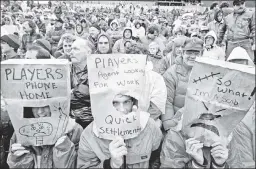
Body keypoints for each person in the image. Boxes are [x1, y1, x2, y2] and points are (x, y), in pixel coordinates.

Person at [77, 94, 163, 168]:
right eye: (115, 103)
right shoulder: (90, 135)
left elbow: (157, 159)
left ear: (133, 102)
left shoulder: (149, 126)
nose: (121, 109)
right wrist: (110, 165)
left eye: (126, 102)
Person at [7, 106, 83, 168]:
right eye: (35, 106)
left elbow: (78, 165)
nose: (40, 112)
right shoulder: (21, 130)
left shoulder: (74, 129)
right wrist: (18, 159)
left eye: (46, 105)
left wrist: (64, 150)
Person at [161, 38, 204, 131]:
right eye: (189, 53)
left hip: (198, 122)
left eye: (196, 53)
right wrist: (169, 126)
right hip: (176, 122)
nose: (192, 56)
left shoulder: (207, 73)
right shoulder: (171, 74)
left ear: (201, 55)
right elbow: (167, 102)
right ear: (182, 53)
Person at [69, 39, 93, 129]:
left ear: (88, 52)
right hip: (68, 123)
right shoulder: (65, 69)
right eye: (71, 49)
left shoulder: (97, 71)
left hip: (90, 124)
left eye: (76, 49)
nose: (70, 52)